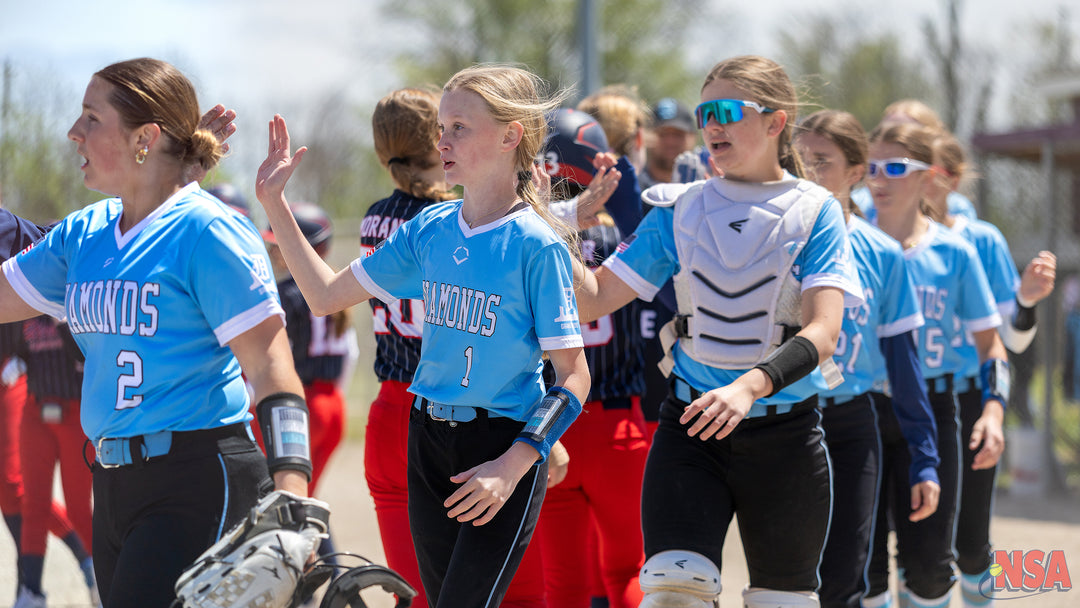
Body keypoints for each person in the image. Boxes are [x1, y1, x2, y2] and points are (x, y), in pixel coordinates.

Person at [255, 64, 590, 607]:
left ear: (511, 136)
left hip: (500, 447)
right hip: (425, 438)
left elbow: (574, 376)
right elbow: (324, 296)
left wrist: (516, 462)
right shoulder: (431, 227)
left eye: (460, 126)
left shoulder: (536, 244)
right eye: (441, 127)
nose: (443, 140)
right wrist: (275, 202)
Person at [0, 57, 311, 608]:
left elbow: (271, 367)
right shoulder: (84, 232)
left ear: (145, 137)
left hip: (196, 477)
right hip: (114, 483)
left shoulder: (209, 230)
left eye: (91, 118)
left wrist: (292, 494)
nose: (74, 132)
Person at [574, 55, 864, 608]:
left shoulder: (816, 211)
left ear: (776, 122)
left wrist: (749, 386)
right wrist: (554, 225)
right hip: (690, 433)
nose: (712, 124)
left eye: (728, 110)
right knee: (672, 595)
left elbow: (824, 331)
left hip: (786, 439)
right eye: (706, 111)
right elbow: (593, 298)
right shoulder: (677, 210)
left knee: (782, 602)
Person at [794, 110, 941, 608]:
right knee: (789, 581)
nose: (807, 171)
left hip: (854, 423)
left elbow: (906, 367)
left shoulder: (882, 253)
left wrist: (925, 458)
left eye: (823, 161)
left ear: (857, 172)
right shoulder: (774, 237)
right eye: (800, 159)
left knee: (846, 579)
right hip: (785, 423)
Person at [863, 122, 1008, 608]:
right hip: (859, 410)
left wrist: (992, 411)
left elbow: (993, 347)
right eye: (871, 167)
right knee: (862, 568)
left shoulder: (956, 252)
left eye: (896, 167)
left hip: (932, 410)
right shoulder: (849, 244)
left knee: (928, 567)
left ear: (930, 178)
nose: (879, 179)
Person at [925, 130, 1055, 608]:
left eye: (926, 166)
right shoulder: (885, 237)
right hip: (900, 398)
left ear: (953, 179)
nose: (910, 175)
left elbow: (1011, 338)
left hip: (967, 397)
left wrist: (1024, 301)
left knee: (970, 540)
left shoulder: (980, 239)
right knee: (910, 538)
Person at [535, 108, 648, 608]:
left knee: (563, 586)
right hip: (618, 427)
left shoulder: (526, 241)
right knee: (627, 572)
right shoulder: (613, 238)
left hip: (553, 421)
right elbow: (654, 252)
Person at [11, 315, 98, 608]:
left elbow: (90, 354)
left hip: (76, 413)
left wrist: (60, 317)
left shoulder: (72, 299)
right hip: (36, 410)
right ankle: (31, 592)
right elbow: (18, 344)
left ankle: (101, 583)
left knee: (78, 510)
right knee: (33, 505)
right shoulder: (27, 296)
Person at [851, 99, 977, 221]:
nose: (895, 139)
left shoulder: (957, 208)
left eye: (908, 132)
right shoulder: (861, 202)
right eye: (887, 131)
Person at [639, 97, 698, 190]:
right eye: (662, 134)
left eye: (678, 134)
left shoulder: (705, 189)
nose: (670, 142)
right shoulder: (631, 189)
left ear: (693, 137)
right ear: (646, 137)